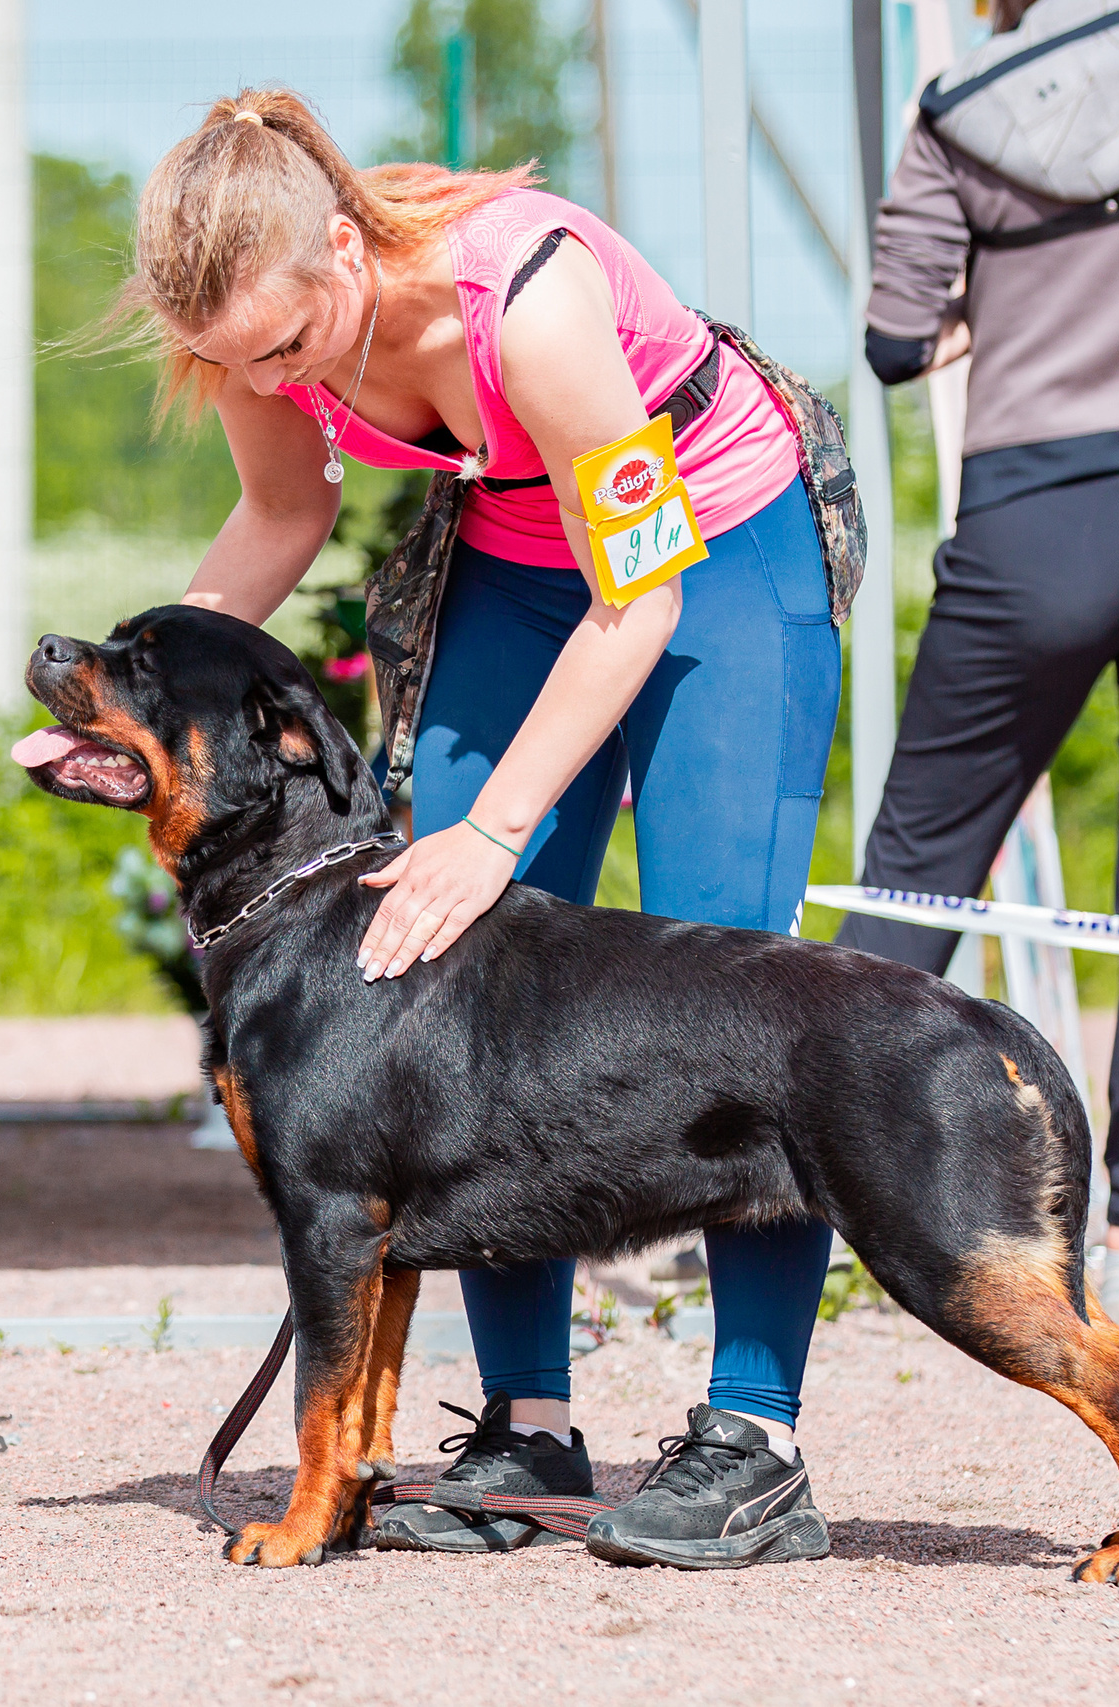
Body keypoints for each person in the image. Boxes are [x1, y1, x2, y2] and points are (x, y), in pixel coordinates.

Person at [114, 89, 842, 1567]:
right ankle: (529, 1425)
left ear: (339, 247)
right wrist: (137, 711)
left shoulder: (532, 299)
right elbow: (277, 517)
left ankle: (755, 1435)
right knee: (426, 978)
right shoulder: (251, 318)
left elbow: (644, 590)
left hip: (716, 549)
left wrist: (498, 828)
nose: (265, 373)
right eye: (231, 359)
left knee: (743, 995)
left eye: (283, 345)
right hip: (517, 562)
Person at [838, 0, 1119, 1352]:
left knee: (917, 858)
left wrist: (1011, 304)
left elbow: (892, 336)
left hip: (1034, 514)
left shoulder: (952, 110)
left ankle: (789, 1213)